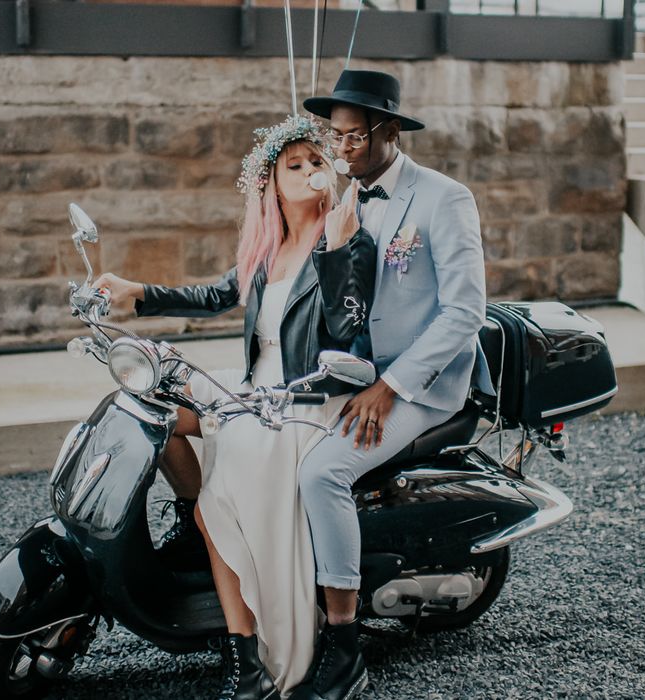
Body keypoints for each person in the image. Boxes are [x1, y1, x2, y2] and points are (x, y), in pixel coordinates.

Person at [93, 114, 376, 700]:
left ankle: (245, 660)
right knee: (156, 408)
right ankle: (199, 522)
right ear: (270, 183)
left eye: (316, 162)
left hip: (304, 398)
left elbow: (347, 329)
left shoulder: (346, 238)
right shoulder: (269, 248)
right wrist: (136, 291)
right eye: (293, 165)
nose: (307, 172)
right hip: (254, 384)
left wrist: (342, 249)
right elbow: (214, 295)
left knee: (221, 503)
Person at [287, 70, 494, 700]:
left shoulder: (444, 198)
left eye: (354, 135)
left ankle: (344, 645)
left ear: (390, 129)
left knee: (321, 472)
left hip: (423, 387)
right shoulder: (346, 201)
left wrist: (394, 387)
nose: (342, 146)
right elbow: (346, 307)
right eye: (336, 134)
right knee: (265, 439)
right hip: (358, 374)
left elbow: (465, 311)